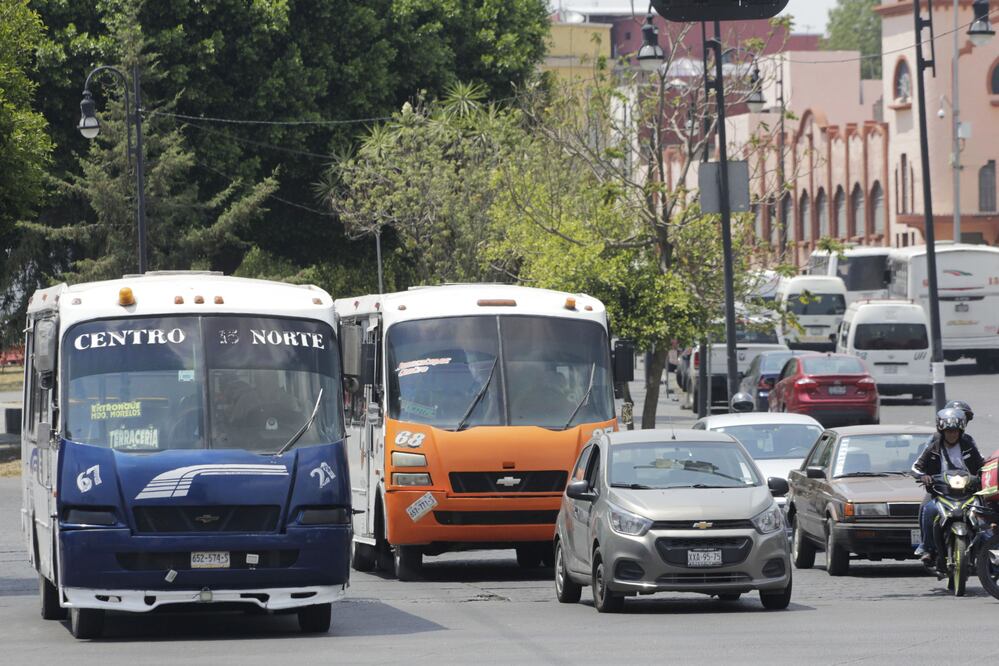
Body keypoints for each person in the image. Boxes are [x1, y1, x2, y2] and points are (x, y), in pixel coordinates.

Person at [911, 407, 984, 564]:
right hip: (941, 492)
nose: (952, 434)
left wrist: (981, 477)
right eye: (949, 431)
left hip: (968, 492)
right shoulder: (934, 447)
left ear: (961, 431)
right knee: (929, 510)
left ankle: (986, 552)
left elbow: (982, 465)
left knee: (984, 514)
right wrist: (923, 476)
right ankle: (928, 548)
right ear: (942, 431)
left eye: (955, 431)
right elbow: (916, 467)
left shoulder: (968, 445)